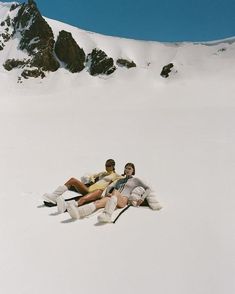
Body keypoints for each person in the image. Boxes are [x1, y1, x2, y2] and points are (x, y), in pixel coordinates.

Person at [66, 162, 152, 223]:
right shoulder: (120, 180)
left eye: (129, 168)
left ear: (133, 170)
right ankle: (78, 213)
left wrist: (142, 198)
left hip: (123, 200)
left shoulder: (136, 180)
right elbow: (110, 187)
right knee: (98, 202)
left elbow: (148, 188)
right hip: (114, 198)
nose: (127, 170)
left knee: (115, 192)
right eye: (126, 168)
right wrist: (107, 193)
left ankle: (107, 215)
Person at [42, 159, 120, 212]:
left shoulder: (115, 175)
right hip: (89, 189)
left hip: (99, 191)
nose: (107, 167)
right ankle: (54, 196)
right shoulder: (102, 173)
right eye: (106, 165)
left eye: (109, 166)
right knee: (72, 180)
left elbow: (122, 180)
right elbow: (93, 176)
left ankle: (66, 207)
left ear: (113, 166)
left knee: (83, 199)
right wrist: (92, 179)